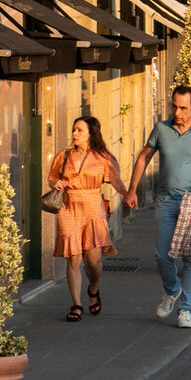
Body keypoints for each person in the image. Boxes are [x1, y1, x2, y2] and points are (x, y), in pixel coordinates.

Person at [125, 86, 191, 331]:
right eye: (174, 106)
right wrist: (132, 190)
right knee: (162, 254)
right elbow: (143, 157)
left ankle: (186, 311)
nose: (177, 112)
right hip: (165, 200)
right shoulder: (162, 129)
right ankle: (172, 291)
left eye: (183, 108)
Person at [50, 116, 129, 323]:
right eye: (74, 130)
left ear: (90, 134)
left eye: (79, 130)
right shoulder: (64, 155)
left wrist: (127, 195)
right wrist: (56, 183)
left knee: (93, 261)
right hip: (68, 206)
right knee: (73, 258)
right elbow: (51, 177)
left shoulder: (102, 157)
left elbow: (115, 179)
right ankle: (76, 304)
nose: (74, 134)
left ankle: (93, 288)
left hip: (92, 206)